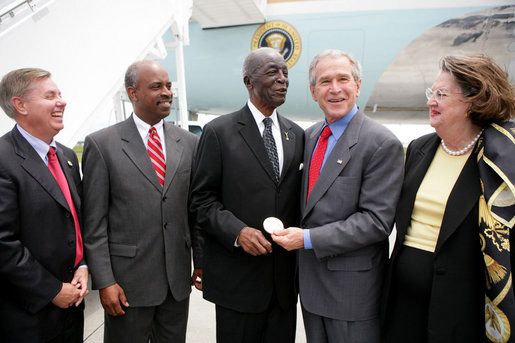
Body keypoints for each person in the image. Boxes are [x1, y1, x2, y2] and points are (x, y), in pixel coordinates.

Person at [272, 49, 404, 343]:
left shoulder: (381, 143)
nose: (334, 89)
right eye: (325, 81)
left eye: (343, 79)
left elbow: (376, 222)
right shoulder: (309, 136)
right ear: (313, 91)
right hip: (310, 289)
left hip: (351, 294)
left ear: (357, 86)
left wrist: (306, 239)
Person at [381, 55, 515, 342]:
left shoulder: (498, 159)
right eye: (432, 93)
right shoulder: (420, 148)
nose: (431, 101)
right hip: (401, 305)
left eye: (441, 94)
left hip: (460, 309)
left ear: (474, 102)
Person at [81, 60, 202, 343]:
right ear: (133, 93)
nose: (167, 92)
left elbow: (193, 212)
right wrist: (106, 282)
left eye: (169, 86)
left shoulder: (188, 142)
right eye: (157, 86)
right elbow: (94, 224)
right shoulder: (102, 144)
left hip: (176, 284)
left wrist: (201, 261)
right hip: (126, 286)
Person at [189, 47, 304, 343]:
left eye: (285, 73)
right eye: (272, 72)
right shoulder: (219, 132)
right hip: (238, 284)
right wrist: (238, 232)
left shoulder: (297, 134)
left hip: (282, 287)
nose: (282, 80)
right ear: (248, 81)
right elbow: (201, 201)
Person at [0, 68, 88, 342]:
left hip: (72, 306)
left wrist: (83, 265)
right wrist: (51, 290)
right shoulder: (4, 159)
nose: (61, 102)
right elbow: (3, 243)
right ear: (20, 105)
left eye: (60, 95)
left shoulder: (64, 155)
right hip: (27, 315)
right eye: (50, 96)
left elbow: (74, 221)